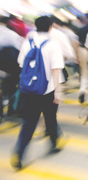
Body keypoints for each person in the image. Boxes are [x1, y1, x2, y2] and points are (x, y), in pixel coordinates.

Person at [10, 16, 64, 170]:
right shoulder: (53, 44)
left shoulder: (28, 42)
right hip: (48, 90)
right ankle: (54, 143)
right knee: (50, 119)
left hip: (29, 90)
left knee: (28, 124)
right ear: (50, 27)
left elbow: (21, 64)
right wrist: (58, 93)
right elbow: (56, 69)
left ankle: (19, 154)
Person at [76, 12, 88, 103]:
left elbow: (78, 43)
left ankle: (82, 90)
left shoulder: (82, 29)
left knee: (84, 72)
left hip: (82, 50)